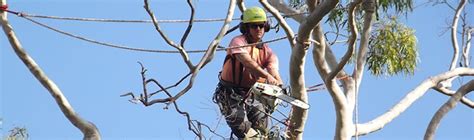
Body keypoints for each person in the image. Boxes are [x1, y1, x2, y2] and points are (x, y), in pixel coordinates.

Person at [213, 7, 283, 138]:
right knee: (243, 130)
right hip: (230, 94)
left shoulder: (268, 52)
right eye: (254, 26)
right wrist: (267, 76)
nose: (258, 29)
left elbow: (274, 71)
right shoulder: (238, 42)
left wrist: (278, 84)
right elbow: (248, 63)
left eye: (261, 25)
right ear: (246, 28)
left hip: (253, 95)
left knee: (262, 131)